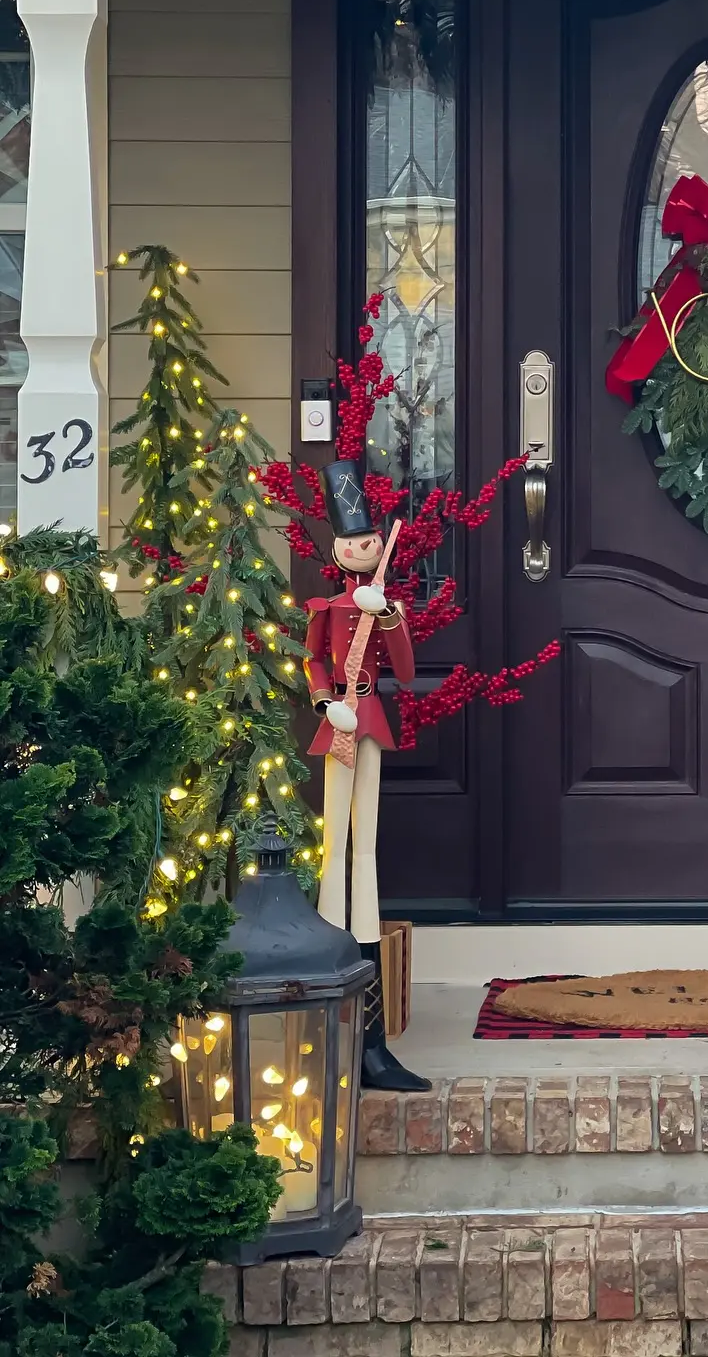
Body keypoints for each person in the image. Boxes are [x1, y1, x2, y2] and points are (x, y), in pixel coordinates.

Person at [305, 458, 427, 1092]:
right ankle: (334, 999)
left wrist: (388, 617)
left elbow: (404, 671)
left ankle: (371, 1038)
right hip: (341, 723)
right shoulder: (325, 605)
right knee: (334, 849)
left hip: (371, 718)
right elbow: (313, 665)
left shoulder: (385, 604)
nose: (363, 549)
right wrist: (328, 703)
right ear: (337, 548)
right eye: (353, 543)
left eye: (369, 541)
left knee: (368, 850)